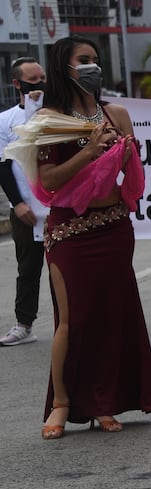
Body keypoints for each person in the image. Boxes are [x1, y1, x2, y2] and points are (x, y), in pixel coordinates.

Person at [35, 36, 151, 438]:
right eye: (83, 60)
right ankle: (62, 403)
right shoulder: (49, 119)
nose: (92, 66)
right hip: (70, 232)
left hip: (114, 226)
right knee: (72, 320)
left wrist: (122, 152)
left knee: (111, 314)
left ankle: (105, 401)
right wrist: (89, 151)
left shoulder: (116, 113)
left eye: (95, 59)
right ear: (64, 66)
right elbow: (50, 180)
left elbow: (131, 173)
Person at [0, 57, 47, 347]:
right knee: (28, 268)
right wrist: (17, 203)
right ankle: (24, 324)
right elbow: (3, 165)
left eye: (42, 78)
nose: (39, 84)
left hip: (59, 207)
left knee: (65, 270)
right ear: (17, 83)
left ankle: (74, 323)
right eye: (32, 79)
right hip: (26, 209)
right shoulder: (5, 120)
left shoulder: (59, 113)